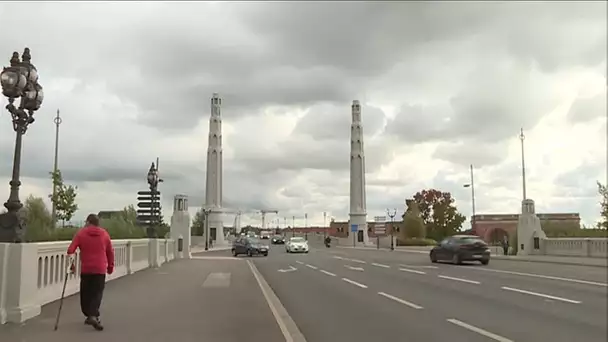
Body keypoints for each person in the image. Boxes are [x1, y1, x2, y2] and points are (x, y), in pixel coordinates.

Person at [67, 214, 114, 331]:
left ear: (88, 222)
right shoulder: (104, 234)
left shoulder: (81, 233)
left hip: (86, 269)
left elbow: (70, 250)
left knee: (86, 294)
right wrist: (110, 267)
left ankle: (90, 315)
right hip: (100, 269)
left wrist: (71, 265)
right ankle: (93, 316)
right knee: (97, 293)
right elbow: (110, 252)